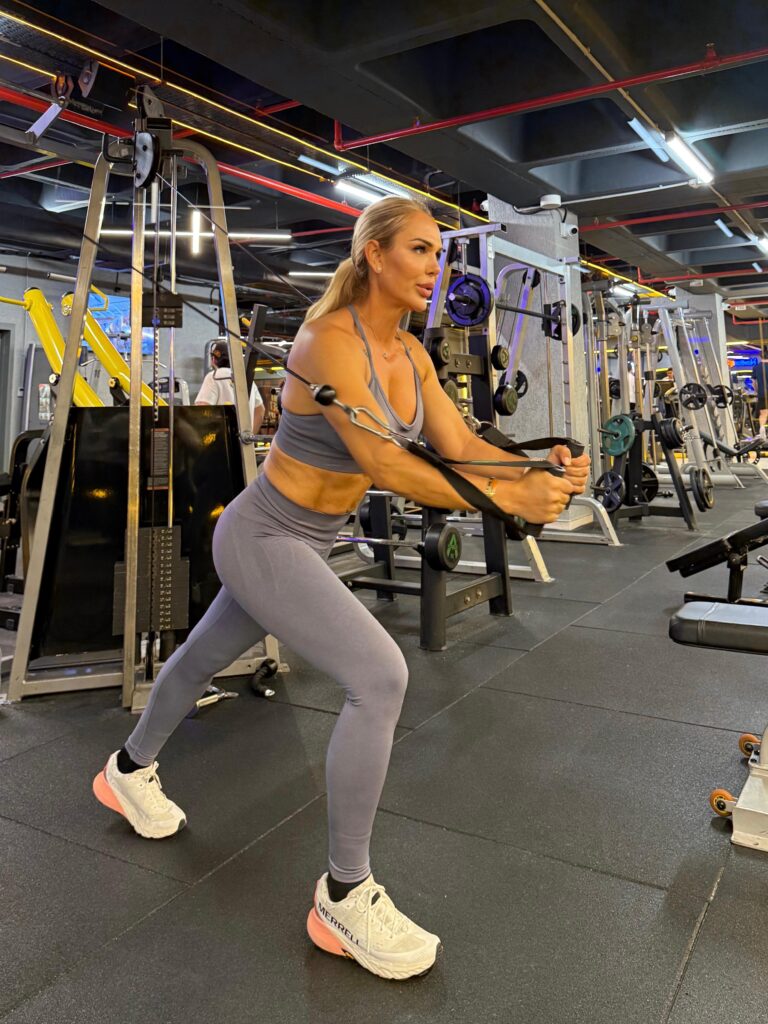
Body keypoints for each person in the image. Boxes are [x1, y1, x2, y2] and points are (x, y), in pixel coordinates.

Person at [92, 197, 590, 981]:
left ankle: (125, 771)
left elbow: (459, 445)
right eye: (420, 250)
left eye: (439, 254)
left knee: (202, 657)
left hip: (307, 542)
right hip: (262, 534)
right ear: (374, 255)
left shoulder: (412, 356)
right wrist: (507, 501)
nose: (435, 267)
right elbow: (387, 466)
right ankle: (343, 896)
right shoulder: (328, 341)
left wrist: (536, 470)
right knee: (380, 676)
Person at [195, 341, 265, 434]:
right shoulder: (247, 379)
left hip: (222, 440)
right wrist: (250, 435)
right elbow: (260, 410)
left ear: (214, 359)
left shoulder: (214, 376)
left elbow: (202, 409)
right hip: (244, 440)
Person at [751, 357, 768, 438]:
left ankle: (762, 430)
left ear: (760, 356)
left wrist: (757, 391)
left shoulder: (756, 367)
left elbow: (754, 382)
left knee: (763, 414)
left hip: (762, 394)